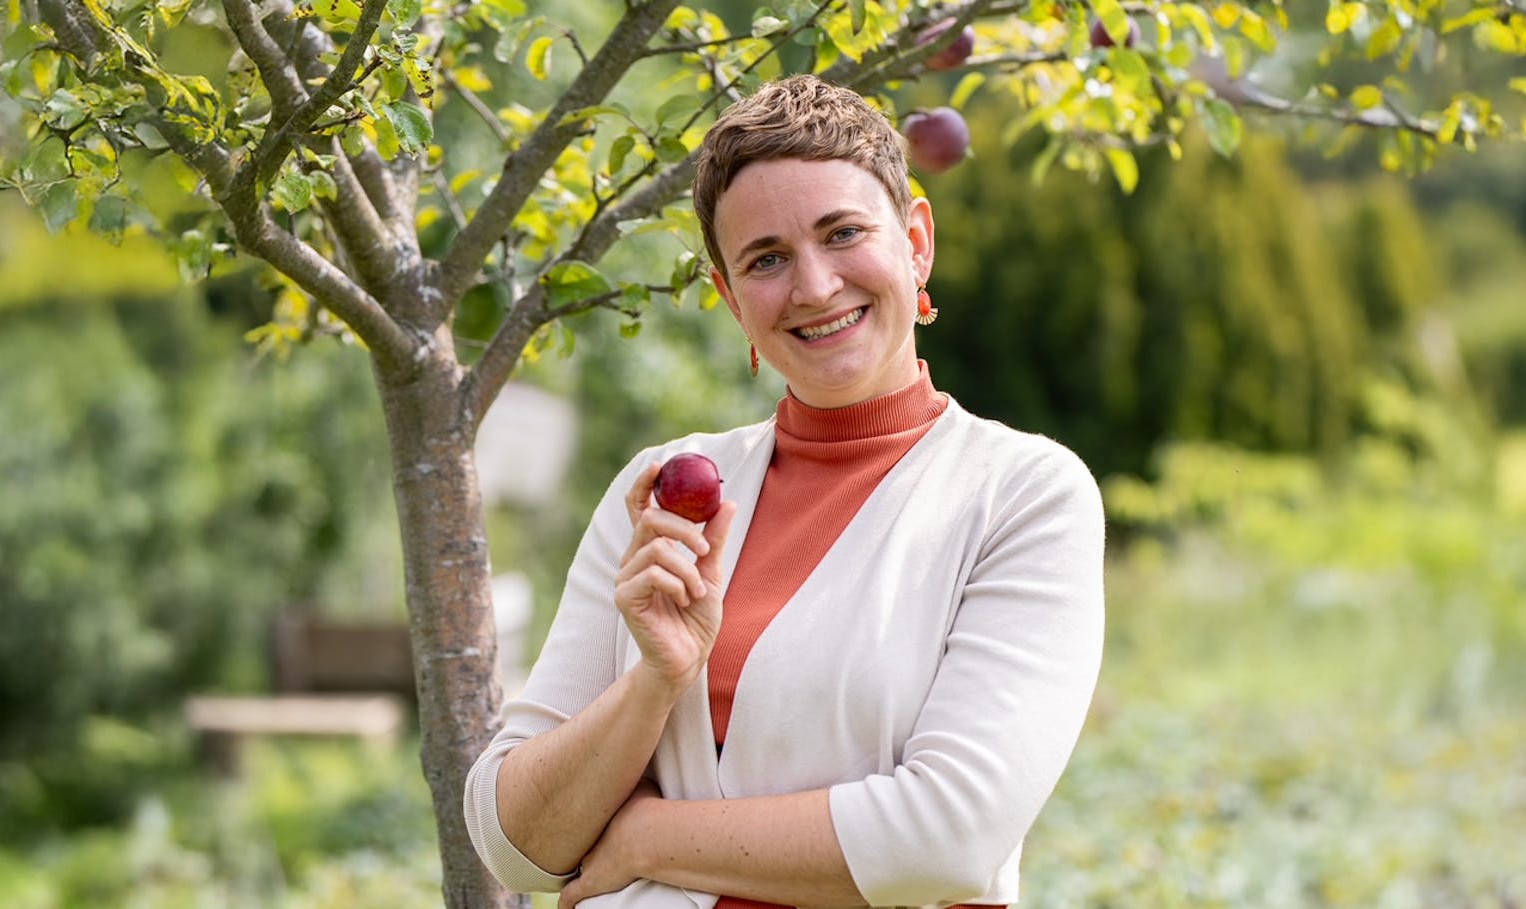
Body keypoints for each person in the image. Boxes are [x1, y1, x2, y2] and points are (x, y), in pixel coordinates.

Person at [463, 73, 1106, 909]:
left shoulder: (1022, 494)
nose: (812, 286)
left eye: (843, 234)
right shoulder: (667, 491)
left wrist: (647, 837)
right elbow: (516, 841)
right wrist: (656, 679)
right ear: (731, 297)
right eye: (766, 259)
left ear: (916, 241)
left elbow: (949, 833)